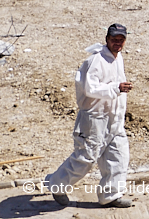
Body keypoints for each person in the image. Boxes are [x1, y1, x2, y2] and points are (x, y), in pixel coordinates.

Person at [44, 24, 133, 208]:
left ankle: (111, 195)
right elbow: (90, 88)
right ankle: (57, 185)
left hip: (114, 117)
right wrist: (116, 89)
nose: (118, 43)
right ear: (107, 39)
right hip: (94, 118)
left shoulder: (118, 58)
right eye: (114, 39)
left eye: (121, 40)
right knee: (86, 158)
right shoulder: (95, 61)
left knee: (118, 156)